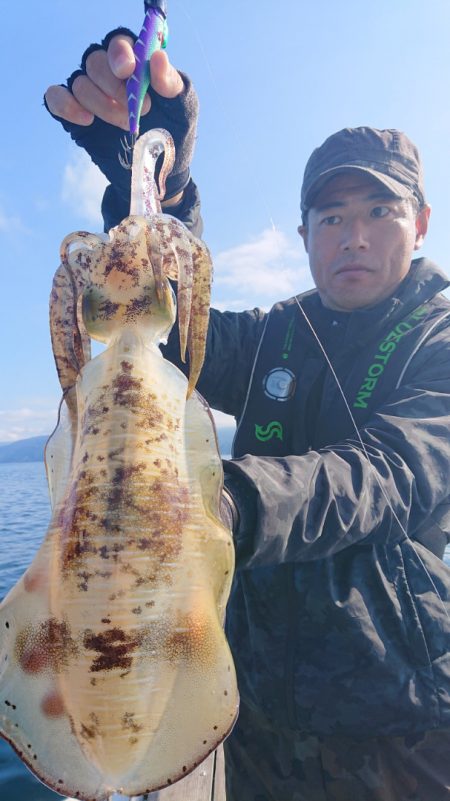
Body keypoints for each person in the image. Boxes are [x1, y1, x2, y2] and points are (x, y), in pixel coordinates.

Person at [45, 30, 450, 801]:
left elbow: (388, 475)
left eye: (378, 210)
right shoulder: (274, 336)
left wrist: (227, 500)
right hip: (257, 719)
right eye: (330, 218)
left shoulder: (438, 341)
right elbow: (165, 324)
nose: (353, 235)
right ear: (302, 237)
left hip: (402, 725)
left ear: (421, 222)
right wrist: (157, 180)